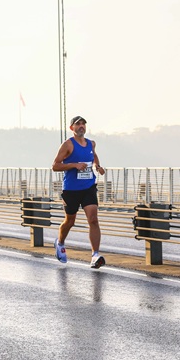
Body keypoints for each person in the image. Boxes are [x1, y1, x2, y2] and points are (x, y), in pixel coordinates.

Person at [51, 115, 107, 269]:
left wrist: (98, 166)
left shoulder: (91, 143)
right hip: (71, 189)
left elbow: (93, 155)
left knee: (93, 219)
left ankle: (95, 255)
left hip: (88, 187)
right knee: (70, 221)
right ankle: (60, 242)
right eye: (77, 124)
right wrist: (74, 165)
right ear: (72, 128)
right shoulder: (67, 145)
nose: (81, 126)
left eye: (83, 124)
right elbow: (55, 166)